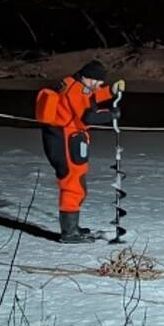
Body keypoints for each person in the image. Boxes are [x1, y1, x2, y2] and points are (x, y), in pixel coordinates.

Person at [37, 59, 125, 242]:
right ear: (90, 78)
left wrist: (110, 91)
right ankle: (69, 233)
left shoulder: (74, 84)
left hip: (68, 138)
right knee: (73, 184)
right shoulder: (76, 89)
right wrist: (112, 114)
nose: (100, 85)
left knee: (77, 183)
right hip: (66, 140)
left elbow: (90, 97)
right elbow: (88, 116)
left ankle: (72, 228)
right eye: (99, 82)